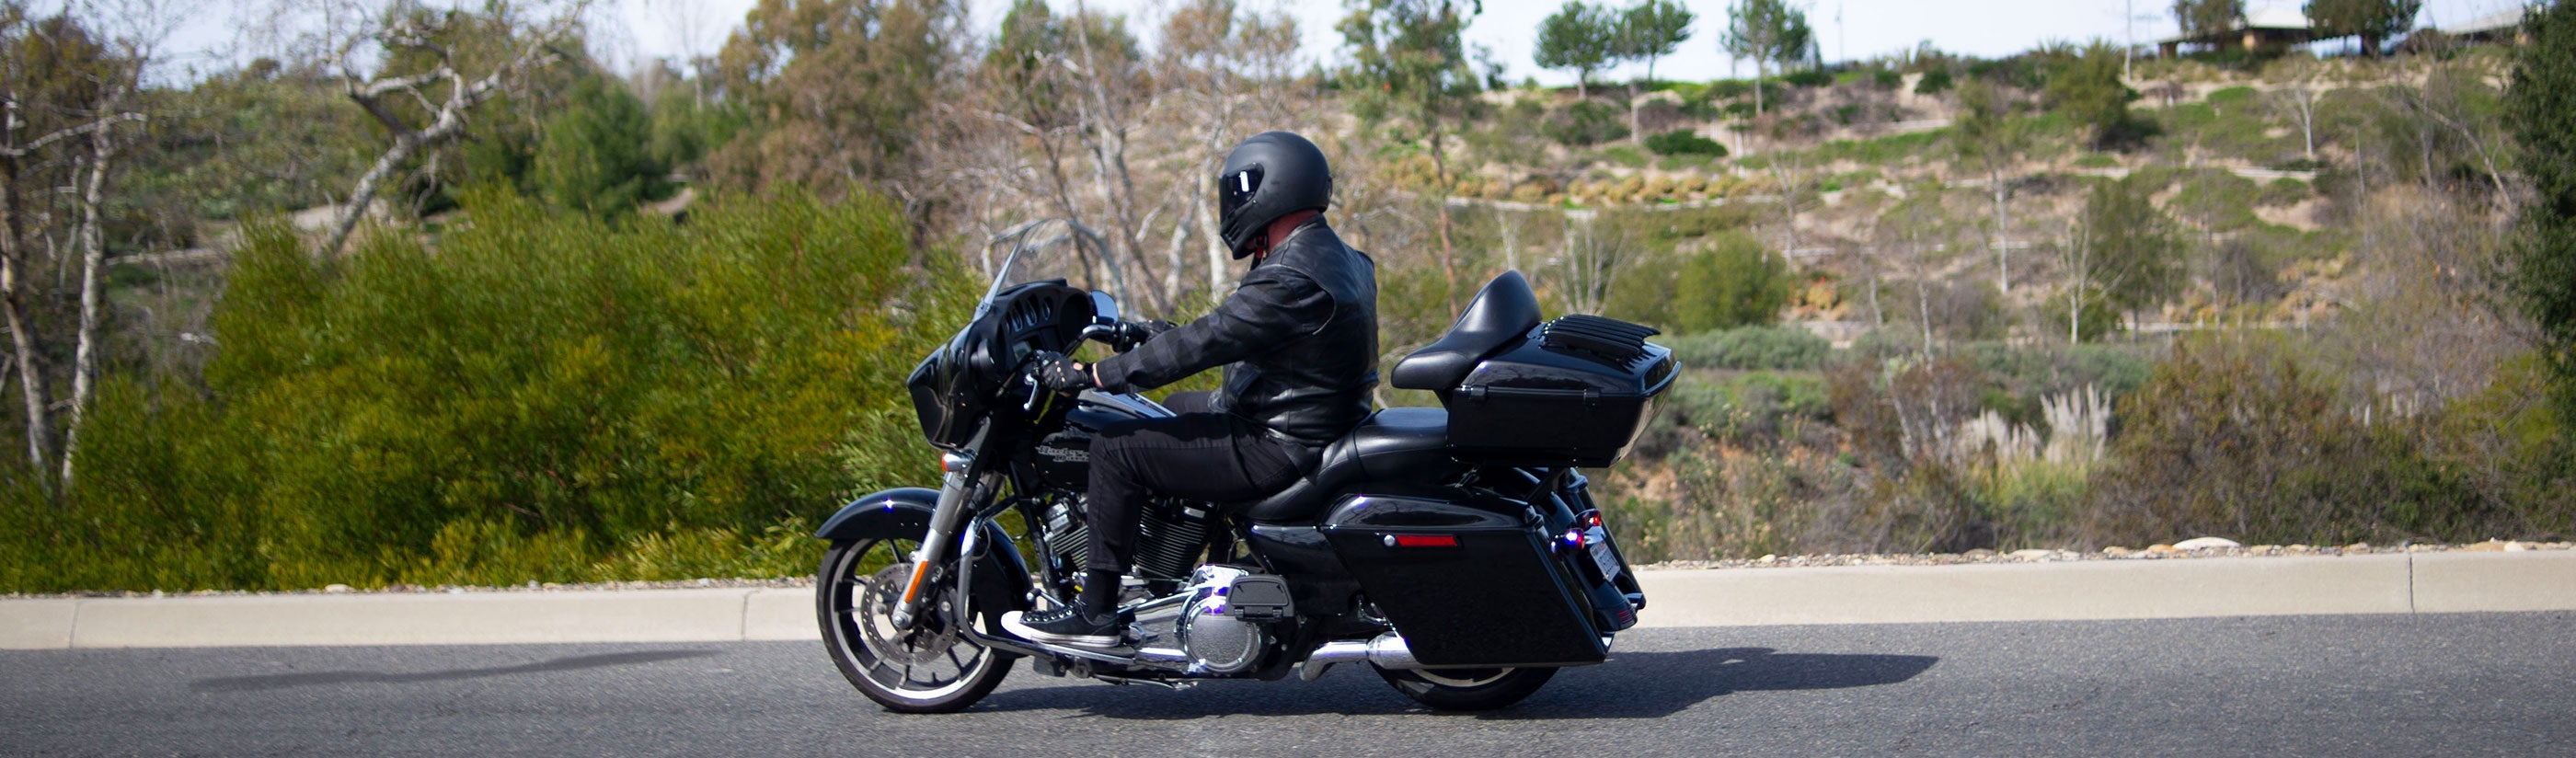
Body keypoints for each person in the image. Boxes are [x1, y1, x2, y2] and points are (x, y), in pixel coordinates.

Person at [1002, 131, 1378, 647]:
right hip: (1306, 419)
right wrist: (1155, 337)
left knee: (1115, 449)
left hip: (1279, 442)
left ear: (1271, 190)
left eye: (1240, 191)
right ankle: (1177, 566)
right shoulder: (1337, 257)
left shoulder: (1290, 275)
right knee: (1171, 409)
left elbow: (1211, 339)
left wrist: (1093, 375)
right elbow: (1254, 336)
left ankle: (1097, 614)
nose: (1234, 203)